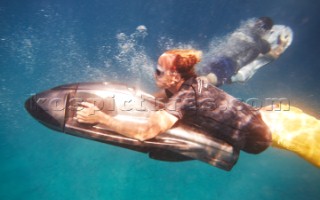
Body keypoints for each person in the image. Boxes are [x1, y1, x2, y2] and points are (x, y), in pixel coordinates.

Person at [76, 49, 320, 167]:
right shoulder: (193, 82)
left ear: (174, 76)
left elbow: (146, 133)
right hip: (274, 114)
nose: (154, 73)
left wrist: (102, 118)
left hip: (279, 133)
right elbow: (162, 96)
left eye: (158, 71)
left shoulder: (184, 98)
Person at [200, 17, 290, 86]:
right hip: (230, 63)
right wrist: (282, 43)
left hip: (216, 56)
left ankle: (197, 79)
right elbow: (274, 55)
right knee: (212, 78)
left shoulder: (243, 30)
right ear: (267, 31)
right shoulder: (262, 43)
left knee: (203, 71)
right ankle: (202, 82)